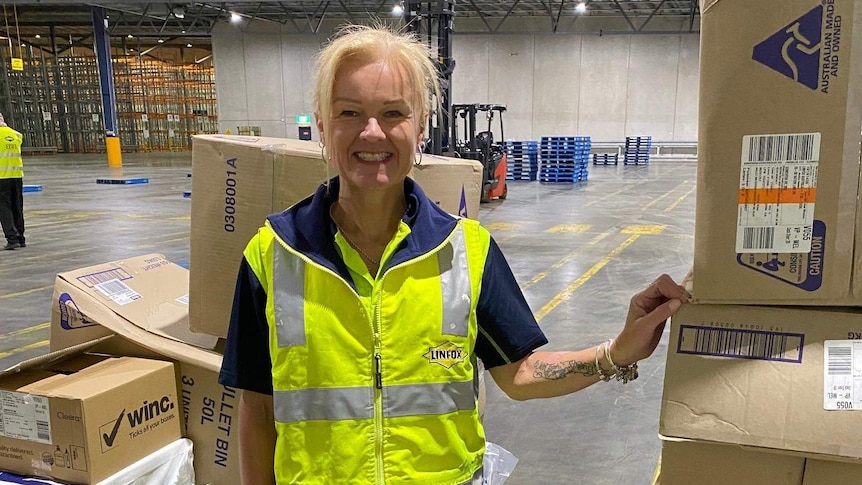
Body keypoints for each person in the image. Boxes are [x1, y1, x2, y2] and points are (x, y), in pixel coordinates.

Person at [218, 24, 690, 485]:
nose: (372, 133)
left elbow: (520, 373)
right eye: (349, 113)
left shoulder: (467, 250)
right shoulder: (273, 252)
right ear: (321, 126)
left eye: (393, 113)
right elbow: (258, 406)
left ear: (421, 126)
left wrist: (616, 352)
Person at [0, 113, 24, 250]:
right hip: (17, 176)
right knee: (17, 207)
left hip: (2, 177)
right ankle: (21, 238)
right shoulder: (16, 135)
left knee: (4, 208)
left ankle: (12, 238)